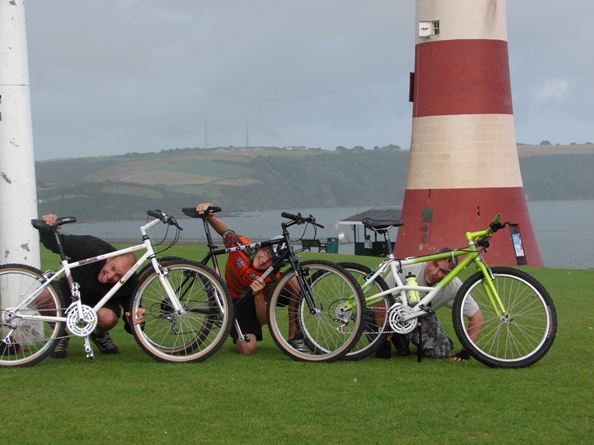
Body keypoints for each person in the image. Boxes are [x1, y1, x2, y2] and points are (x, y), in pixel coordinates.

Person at [196, 203, 306, 354]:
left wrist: (258, 295)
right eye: (267, 253)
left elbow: (263, 320)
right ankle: (222, 306)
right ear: (261, 247)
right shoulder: (241, 246)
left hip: (253, 298)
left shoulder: (270, 278)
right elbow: (226, 232)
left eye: (271, 262)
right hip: (233, 298)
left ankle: (294, 338)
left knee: (296, 282)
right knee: (247, 348)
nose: (264, 261)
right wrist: (210, 216)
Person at [36, 213, 145, 358]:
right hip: (70, 291)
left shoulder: (130, 282)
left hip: (101, 306)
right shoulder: (90, 247)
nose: (110, 276)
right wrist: (47, 227)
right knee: (42, 297)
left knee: (108, 318)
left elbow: (133, 324)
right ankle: (59, 336)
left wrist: (136, 321)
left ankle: (98, 335)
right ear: (109, 258)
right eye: (112, 268)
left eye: (119, 276)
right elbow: (56, 243)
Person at [376, 248, 483, 362]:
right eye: (434, 264)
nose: (434, 272)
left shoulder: (453, 286)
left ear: (449, 275)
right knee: (367, 315)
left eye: (442, 271)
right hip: (391, 313)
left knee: (442, 351)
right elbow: (380, 298)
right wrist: (384, 341)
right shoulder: (406, 268)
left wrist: (466, 351)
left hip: (420, 317)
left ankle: (401, 338)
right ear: (429, 260)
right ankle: (389, 338)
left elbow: (477, 317)